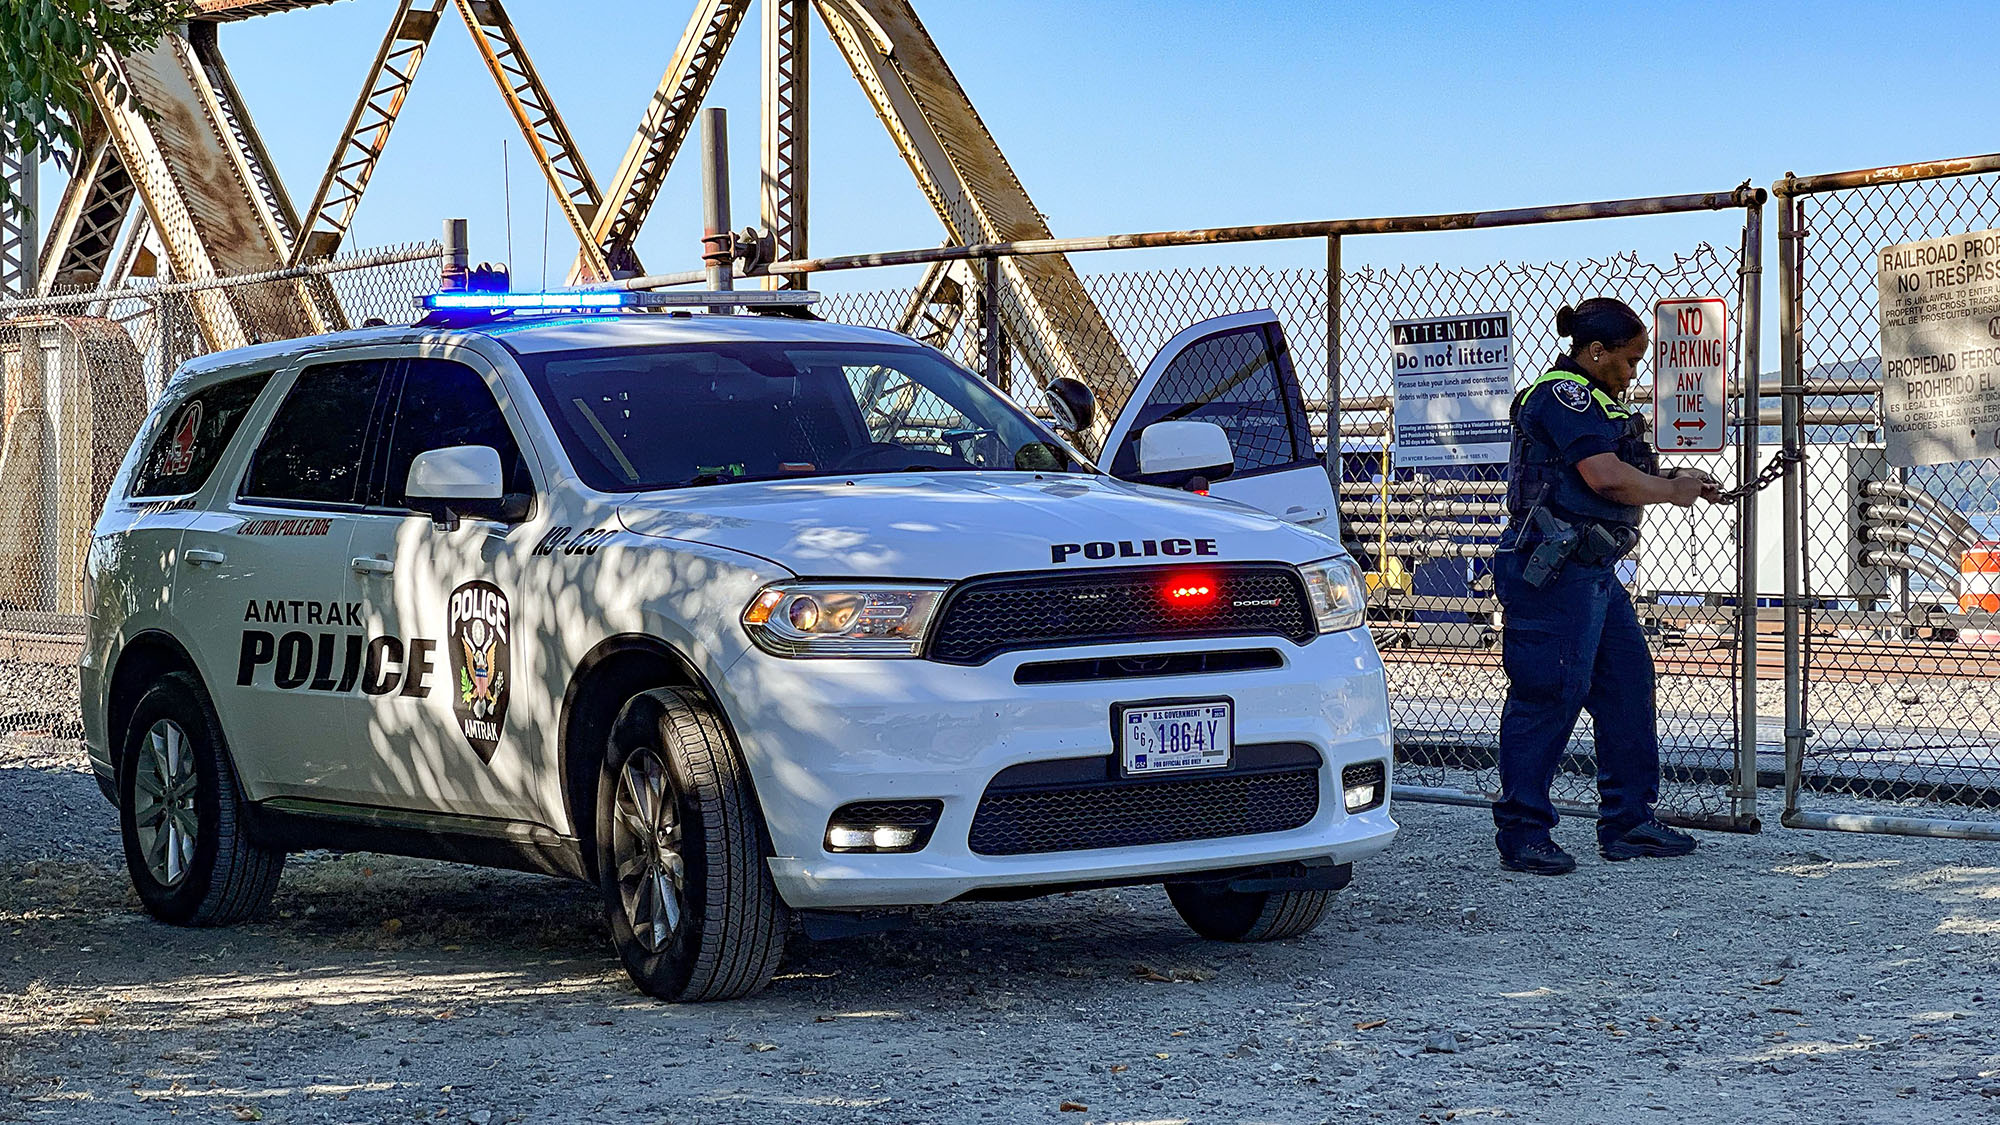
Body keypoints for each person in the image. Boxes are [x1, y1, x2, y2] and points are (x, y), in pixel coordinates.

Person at [1491, 297, 1723, 875]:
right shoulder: (1560, 396)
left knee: (1626, 684)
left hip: (1589, 571)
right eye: (1628, 359)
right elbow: (1603, 477)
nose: (1633, 371)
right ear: (1595, 352)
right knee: (1547, 695)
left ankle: (1628, 821)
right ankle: (1524, 831)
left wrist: (1672, 478)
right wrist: (1670, 491)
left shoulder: (1597, 402)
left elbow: (1613, 473)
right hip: (1553, 572)